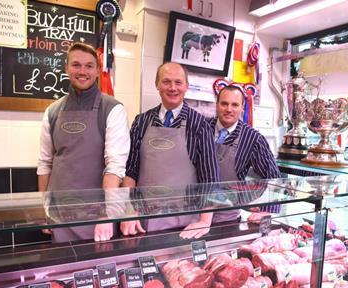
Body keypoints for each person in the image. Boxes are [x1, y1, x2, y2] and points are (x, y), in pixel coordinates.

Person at [37, 42, 130, 242]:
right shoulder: (52, 111)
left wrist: (108, 214)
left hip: (97, 215)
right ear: (66, 68)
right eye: (76, 65)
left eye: (89, 66)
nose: (82, 71)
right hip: (60, 212)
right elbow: (45, 164)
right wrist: (44, 209)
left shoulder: (112, 109)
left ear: (97, 71)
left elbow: (114, 166)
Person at [121, 62, 219, 239]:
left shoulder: (199, 125)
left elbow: (209, 178)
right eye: (166, 82)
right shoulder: (141, 121)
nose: (172, 88)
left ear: (186, 86)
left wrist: (205, 221)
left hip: (184, 225)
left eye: (178, 82)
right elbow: (130, 172)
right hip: (142, 222)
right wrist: (129, 210)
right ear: (157, 84)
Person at [209, 85, 281, 223]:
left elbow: (273, 177)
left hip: (227, 216)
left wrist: (268, 211)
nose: (229, 109)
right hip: (194, 213)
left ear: (242, 107)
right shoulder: (203, 128)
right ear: (217, 105)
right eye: (224, 103)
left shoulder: (253, 138)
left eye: (235, 105)